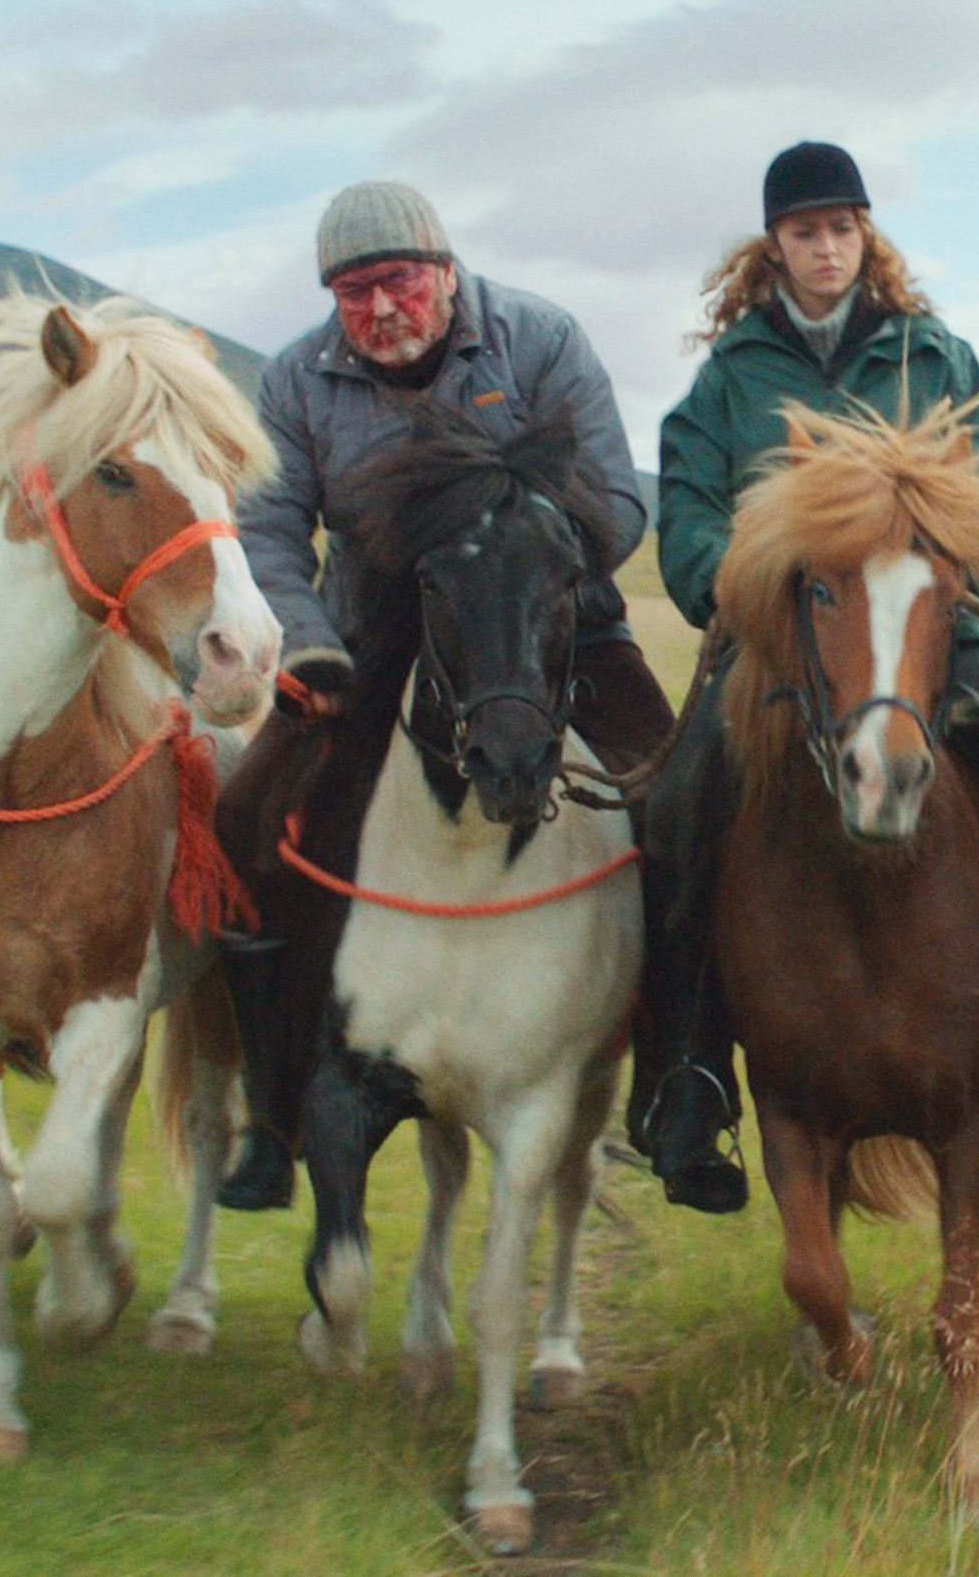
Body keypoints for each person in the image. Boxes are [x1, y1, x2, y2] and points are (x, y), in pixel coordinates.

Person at [634, 140, 979, 1215]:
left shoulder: (929, 354)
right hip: (790, 642)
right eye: (804, 231)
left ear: (867, 235)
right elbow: (685, 505)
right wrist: (733, 575)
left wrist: (952, 555)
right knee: (678, 799)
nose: (825, 247)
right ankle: (685, 1074)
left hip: (930, 626)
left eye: (841, 227)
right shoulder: (729, 379)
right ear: (773, 246)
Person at [215, 180, 674, 1209]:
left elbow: (612, 494)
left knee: (682, 802)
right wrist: (314, 647)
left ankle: (671, 1084)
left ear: (442, 270)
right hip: (370, 642)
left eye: (396, 281)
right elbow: (273, 527)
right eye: (352, 290)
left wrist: (525, 567)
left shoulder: (540, 339)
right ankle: (272, 1113)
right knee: (248, 815)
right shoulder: (294, 380)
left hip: (551, 628)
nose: (379, 307)